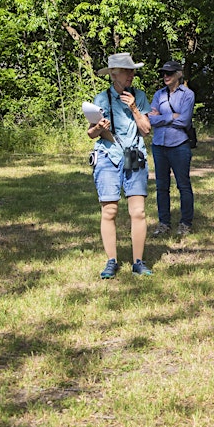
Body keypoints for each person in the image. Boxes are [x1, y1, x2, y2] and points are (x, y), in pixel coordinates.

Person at [88, 53, 153, 278]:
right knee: (110, 210)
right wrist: (99, 128)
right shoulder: (101, 99)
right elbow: (91, 133)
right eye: (127, 71)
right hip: (107, 155)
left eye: (133, 71)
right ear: (114, 74)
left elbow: (146, 130)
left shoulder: (140, 96)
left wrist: (134, 108)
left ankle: (138, 262)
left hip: (134, 153)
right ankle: (111, 261)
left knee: (138, 211)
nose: (131, 75)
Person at [148, 60, 195, 237]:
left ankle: (185, 223)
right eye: (164, 73)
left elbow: (184, 121)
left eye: (169, 73)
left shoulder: (188, 94)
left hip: (179, 145)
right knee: (161, 186)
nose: (165, 76)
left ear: (178, 74)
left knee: (183, 185)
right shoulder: (158, 94)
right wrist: (171, 116)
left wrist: (161, 117)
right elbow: (150, 120)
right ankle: (164, 223)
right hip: (159, 145)